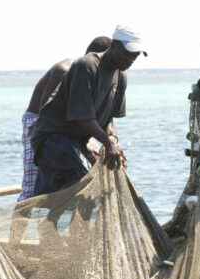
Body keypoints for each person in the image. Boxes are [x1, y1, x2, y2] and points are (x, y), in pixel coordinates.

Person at [30, 25, 145, 196]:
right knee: (87, 183)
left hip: (78, 141)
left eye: (135, 55)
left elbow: (108, 121)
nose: (131, 59)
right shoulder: (87, 66)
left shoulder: (121, 76)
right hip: (54, 138)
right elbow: (82, 117)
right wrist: (108, 143)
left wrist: (114, 140)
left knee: (46, 198)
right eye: (128, 53)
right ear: (114, 45)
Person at [19, 36, 112, 201]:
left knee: (87, 168)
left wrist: (111, 142)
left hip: (68, 127)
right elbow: (45, 114)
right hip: (38, 123)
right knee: (33, 185)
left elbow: (101, 116)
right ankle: (23, 215)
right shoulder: (64, 70)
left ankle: (62, 206)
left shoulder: (97, 77)